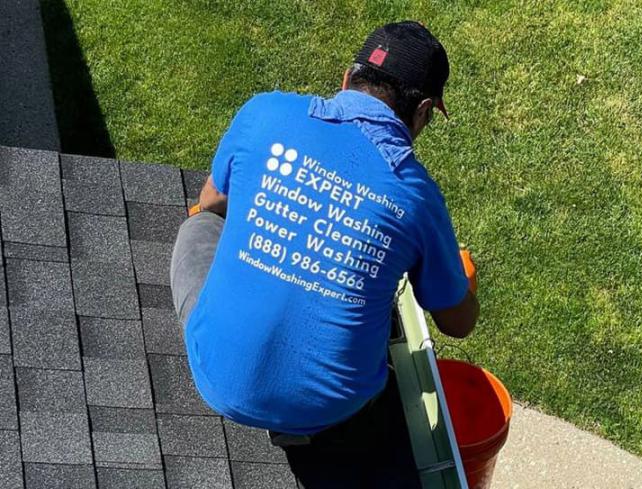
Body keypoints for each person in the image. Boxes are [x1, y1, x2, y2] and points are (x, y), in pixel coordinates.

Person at [169, 21, 478, 487]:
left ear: (346, 78)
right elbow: (459, 322)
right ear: (424, 111)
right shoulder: (416, 197)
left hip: (218, 379)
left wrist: (286, 210)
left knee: (199, 225)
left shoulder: (264, 113)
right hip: (330, 414)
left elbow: (213, 201)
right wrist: (462, 279)